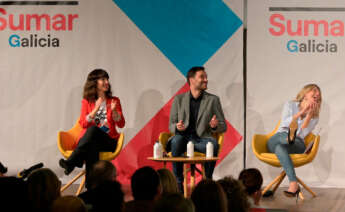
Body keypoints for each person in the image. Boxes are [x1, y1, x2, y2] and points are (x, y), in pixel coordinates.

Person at [59, 69, 125, 188]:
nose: (107, 82)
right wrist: (96, 109)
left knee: (93, 130)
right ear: (94, 83)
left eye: (107, 79)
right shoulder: (87, 101)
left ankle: (72, 161)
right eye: (103, 79)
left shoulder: (114, 100)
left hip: (109, 141)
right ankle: (91, 188)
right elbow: (83, 123)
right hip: (91, 142)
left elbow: (121, 124)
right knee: (91, 146)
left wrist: (115, 111)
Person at [168, 66, 227, 191]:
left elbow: (223, 125)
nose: (206, 80)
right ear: (191, 80)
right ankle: (178, 184)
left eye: (206, 77)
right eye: (202, 77)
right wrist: (178, 127)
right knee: (176, 141)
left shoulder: (213, 100)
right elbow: (171, 125)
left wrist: (215, 126)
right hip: (183, 138)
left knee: (213, 144)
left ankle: (208, 182)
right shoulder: (178, 99)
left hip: (202, 139)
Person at [267, 84, 321, 198]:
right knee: (279, 143)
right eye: (314, 93)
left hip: (297, 142)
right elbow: (285, 122)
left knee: (284, 145)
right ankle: (288, 138)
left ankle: (293, 184)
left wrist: (309, 115)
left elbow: (302, 132)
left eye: (318, 96)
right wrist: (301, 112)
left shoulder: (315, 116)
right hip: (279, 137)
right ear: (305, 94)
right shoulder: (290, 105)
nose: (317, 96)